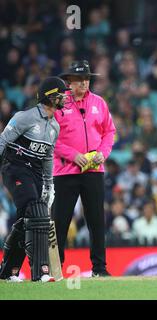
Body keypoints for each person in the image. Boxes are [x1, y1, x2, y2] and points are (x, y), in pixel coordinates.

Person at [0, 76, 69, 282]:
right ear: (50, 97)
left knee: (25, 219)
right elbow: (3, 140)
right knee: (35, 210)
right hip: (15, 168)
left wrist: (49, 184)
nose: (65, 97)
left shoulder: (55, 126)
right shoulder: (25, 117)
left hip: (36, 174)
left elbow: (47, 156)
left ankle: (8, 271)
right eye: (61, 94)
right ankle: (41, 272)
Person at [53, 60, 116, 277]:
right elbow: (51, 138)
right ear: (69, 82)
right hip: (65, 171)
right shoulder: (59, 104)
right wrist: (74, 155)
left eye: (87, 79)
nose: (84, 83)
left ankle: (99, 268)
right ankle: (54, 268)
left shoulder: (99, 102)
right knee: (60, 221)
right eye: (79, 79)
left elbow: (109, 131)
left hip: (93, 170)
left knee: (97, 221)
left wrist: (103, 153)